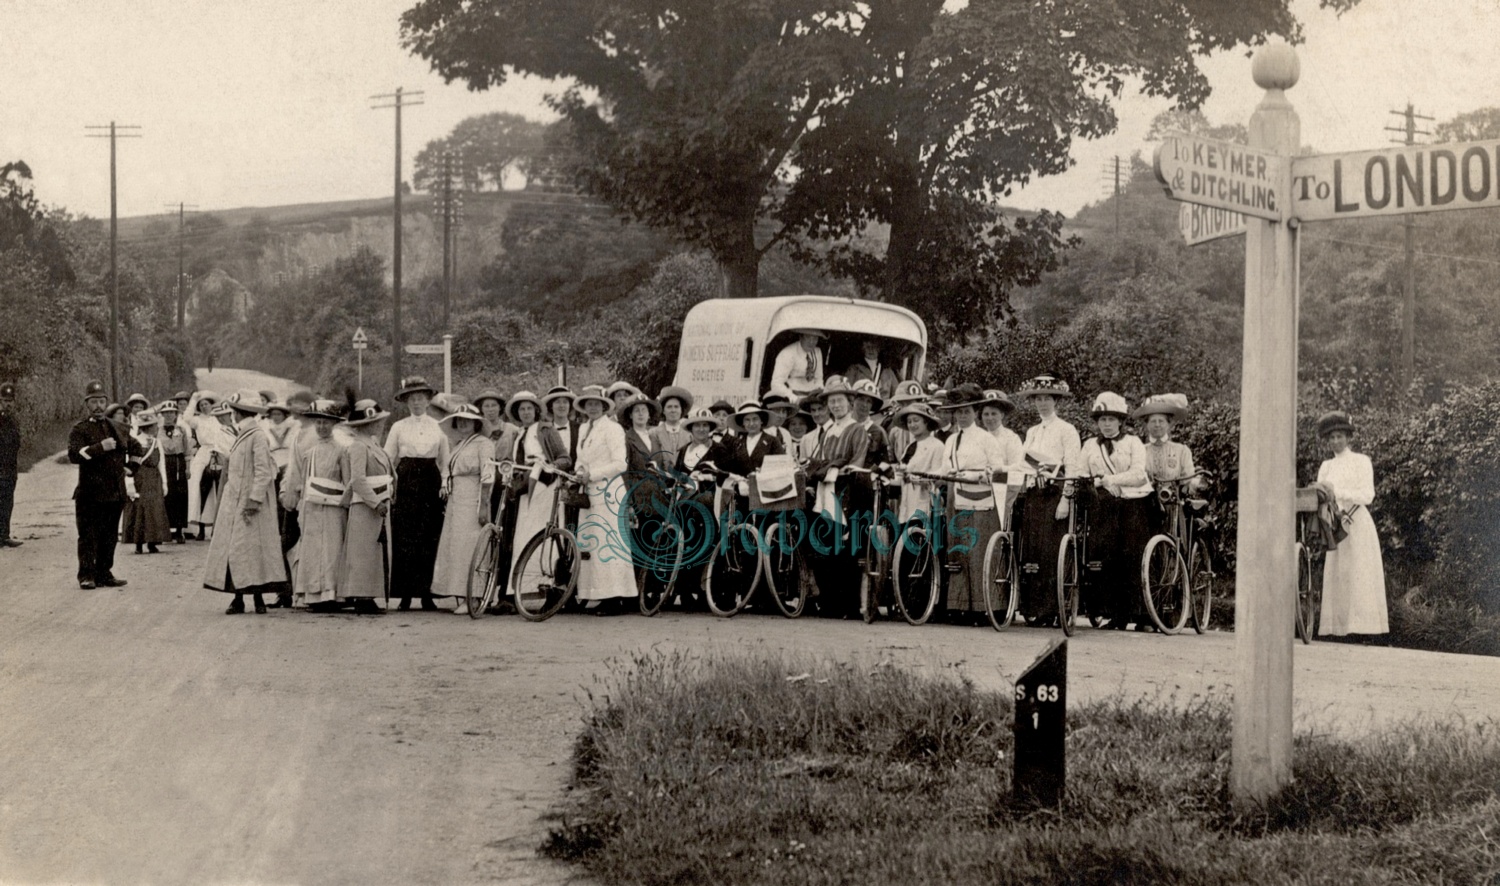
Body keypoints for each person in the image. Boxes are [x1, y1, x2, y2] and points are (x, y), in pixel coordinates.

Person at [1073, 392, 1153, 629]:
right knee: (1108, 558)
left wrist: (1108, 480)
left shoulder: (1133, 443)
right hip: (1105, 505)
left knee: (1132, 556)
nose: (1106, 424)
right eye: (1101, 419)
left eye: (1111, 419)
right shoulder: (1089, 445)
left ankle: (1141, 615)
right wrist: (1092, 483)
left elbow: (1139, 475)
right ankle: (1116, 614)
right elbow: (1081, 472)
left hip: (1134, 504)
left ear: (1120, 420)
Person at [203, 391, 288, 614]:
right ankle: (238, 598)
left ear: (240, 413)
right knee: (236, 549)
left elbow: (263, 471)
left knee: (251, 550)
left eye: (235, 412)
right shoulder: (244, 435)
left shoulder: (256, 436)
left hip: (250, 502)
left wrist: (255, 499)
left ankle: (257, 598)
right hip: (235, 500)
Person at [1014, 374, 1082, 624]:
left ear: (1056, 401)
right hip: (1035, 492)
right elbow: (1024, 462)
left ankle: (1053, 609)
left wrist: (1066, 498)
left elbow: (1073, 466)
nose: (1043, 404)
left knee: (1051, 551)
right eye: (1038, 399)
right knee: (1033, 551)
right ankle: (1033, 606)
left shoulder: (1067, 430)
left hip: (1056, 493)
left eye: (1047, 399)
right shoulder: (1032, 432)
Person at [1315, 411, 1388, 637]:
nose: (1336, 441)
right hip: (1336, 524)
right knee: (1339, 572)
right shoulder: (1326, 466)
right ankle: (1339, 628)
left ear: (1348, 437)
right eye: (1331, 438)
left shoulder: (1361, 461)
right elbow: (1321, 495)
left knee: (1360, 571)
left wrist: (1339, 493)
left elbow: (1367, 494)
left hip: (1357, 523)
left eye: (1339, 436)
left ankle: (1364, 628)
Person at [938, 384, 1008, 621]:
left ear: (975, 412)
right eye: (958, 412)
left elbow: (998, 468)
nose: (962, 416)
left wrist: (982, 474)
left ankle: (984, 607)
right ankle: (959, 605)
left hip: (982, 498)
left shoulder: (986, 439)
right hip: (956, 495)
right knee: (958, 548)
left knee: (979, 550)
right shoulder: (950, 440)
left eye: (967, 411)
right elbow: (944, 467)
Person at [385, 375, 449, 611]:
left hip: (430, 482)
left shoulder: (439, 427)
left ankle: (426, 594)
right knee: (406, 538)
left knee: (428, 537)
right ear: (406, 402)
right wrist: (389, 484)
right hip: (407, 481)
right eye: (412, 399)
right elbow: (388, 458)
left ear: (428, 401)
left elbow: (445, 460)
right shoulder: (398, 427)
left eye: (421, 398)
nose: (416, 403)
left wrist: (444, 484)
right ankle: (405, 595)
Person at [68, 380, 140, 588]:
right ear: (86, 404)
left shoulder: (116, 427)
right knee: (88, 536)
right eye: (94, 402)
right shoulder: (79, 429)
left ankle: (104, 572)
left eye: (102, 401)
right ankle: (86, 575)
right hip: (90, 494)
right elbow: (74, 455)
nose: (98, 406)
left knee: (109, 536)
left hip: (115, 492)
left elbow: (136, 447)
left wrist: (131, 468)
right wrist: (100, 447)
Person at [280, 399, 349, 611]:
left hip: (333, 508)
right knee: (312, 550)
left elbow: (347, 482)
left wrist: (340, 500)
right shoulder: (309, 452)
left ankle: (332, 595)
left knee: (331, 550)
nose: (321, 427)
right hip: (312, 507)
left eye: (326, 423)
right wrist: (299, 501)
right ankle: (314, 595)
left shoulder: (341, 450)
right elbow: (301, 480)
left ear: (334, 425)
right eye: (318, 423)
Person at [572, 385, 635, 614]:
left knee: (609, 542)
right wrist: (579, 471)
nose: (592, 407)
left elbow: (620, 463)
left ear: (604, 406)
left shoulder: (613, 429)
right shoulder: (583, 428)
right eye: (588, 404)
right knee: (591, 542)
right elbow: (581, 458)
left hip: (609, 490)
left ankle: (615, 597)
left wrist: (594, 474)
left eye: (597, 404)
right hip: (589, 492)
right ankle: (593, 594)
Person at [429, 404, 493, 615]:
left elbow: (488, 474)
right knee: (456, 547)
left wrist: (483, 505)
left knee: (471, 545)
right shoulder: (458, 445)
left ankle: (474, 596)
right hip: (457, 500)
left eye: (467, 420)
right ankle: (460, 593)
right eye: (459, 420)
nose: (463, 423)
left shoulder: (484, 443)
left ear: (476, 423)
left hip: (473, 498)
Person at [505, 391, 572, 588]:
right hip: (525, 488)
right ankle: (520, 588)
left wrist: (549, 467)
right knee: (522, 535)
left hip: (544, 486)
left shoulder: (545, 430)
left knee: (542, 533)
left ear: (536, 411)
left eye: (529, 408)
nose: (526, 413)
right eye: (521, 409)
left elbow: (564, 458)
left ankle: (545, 583)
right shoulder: (519, 434)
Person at [343, 398, 394, 612]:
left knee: (372, 551)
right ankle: (361, 598)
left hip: (380, 500)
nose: (379, 424)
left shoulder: (373, 444)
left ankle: (368, 596)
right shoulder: (358, 446)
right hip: (366, 505)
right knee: (362, 551)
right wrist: (375, 503)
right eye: (375, 422)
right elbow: (357, 479)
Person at [121, 409, 172, 555]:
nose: (155, 428)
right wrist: (129, 484)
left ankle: (152, 542)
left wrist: (164, 483)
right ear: (147, 427)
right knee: (139, 509)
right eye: (153, 426)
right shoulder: (134, 442)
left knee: (154, 510)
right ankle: (139, 543)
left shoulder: (156, 442)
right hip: (140, 477)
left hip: (154, 478)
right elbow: (129, 465)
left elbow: (161, 462)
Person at [187, 391, 233, 541]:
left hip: (219, 450)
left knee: (220, 488)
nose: (204, 406)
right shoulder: (197, 420)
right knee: (200, 487)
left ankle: (217, 527)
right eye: (202, 405)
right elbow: (186, 418)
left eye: (206, 403)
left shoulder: (216, 418)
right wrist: (193, 400)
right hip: (204, 452)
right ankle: (200, 527)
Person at [891, 402, 946, 524]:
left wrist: (917, 478)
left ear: (926, 422)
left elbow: (938, 477)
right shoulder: (909, 447)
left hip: (927, 505)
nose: (912, 425)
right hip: (907, 504)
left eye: (916, 420)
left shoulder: (937, 446)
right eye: (909, 421)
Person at [1134, 394, 1197, 486]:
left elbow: (1189, 481)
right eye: (1153, 421)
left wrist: (1195, 484)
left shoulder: (1182, 451)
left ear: (1169, 424)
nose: (1157, 425)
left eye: (1161, 421)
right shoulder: (1138, 452)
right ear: (1146, 425)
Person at [155, 400, 195, 544]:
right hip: (164, 461)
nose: (169, 415)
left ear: (176, 414)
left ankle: (179, 530)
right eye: (166, 413)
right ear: (162, 414)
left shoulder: (182, 429)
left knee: (180, 495)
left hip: (179, 462)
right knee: (166, 494)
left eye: (172, 412)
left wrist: (188, 468)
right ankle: (164, 531)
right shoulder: (157, 429)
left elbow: (187, 450)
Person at [767, 329, 827, 402]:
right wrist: (794, 398)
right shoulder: (787, 354)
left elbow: (819, 378)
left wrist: (820, 392)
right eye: (808, 337)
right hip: (793, 395)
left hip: (813, 396)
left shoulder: (817, 352)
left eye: (815, 338)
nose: (812, 342)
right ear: (800, 337)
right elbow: (776, 384)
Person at [650, 386, 693, 470]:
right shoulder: (654, 433)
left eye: (676, 407)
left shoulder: (689, 434)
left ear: (681, 410)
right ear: (663, 411)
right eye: (669, 407)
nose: (673, 410)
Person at [0, 381, 21, 548]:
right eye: (5, 400)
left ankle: (4, 535)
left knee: (8, 501)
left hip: (10, 468)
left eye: (10, 401)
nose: (8, 404)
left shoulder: (13, 420)